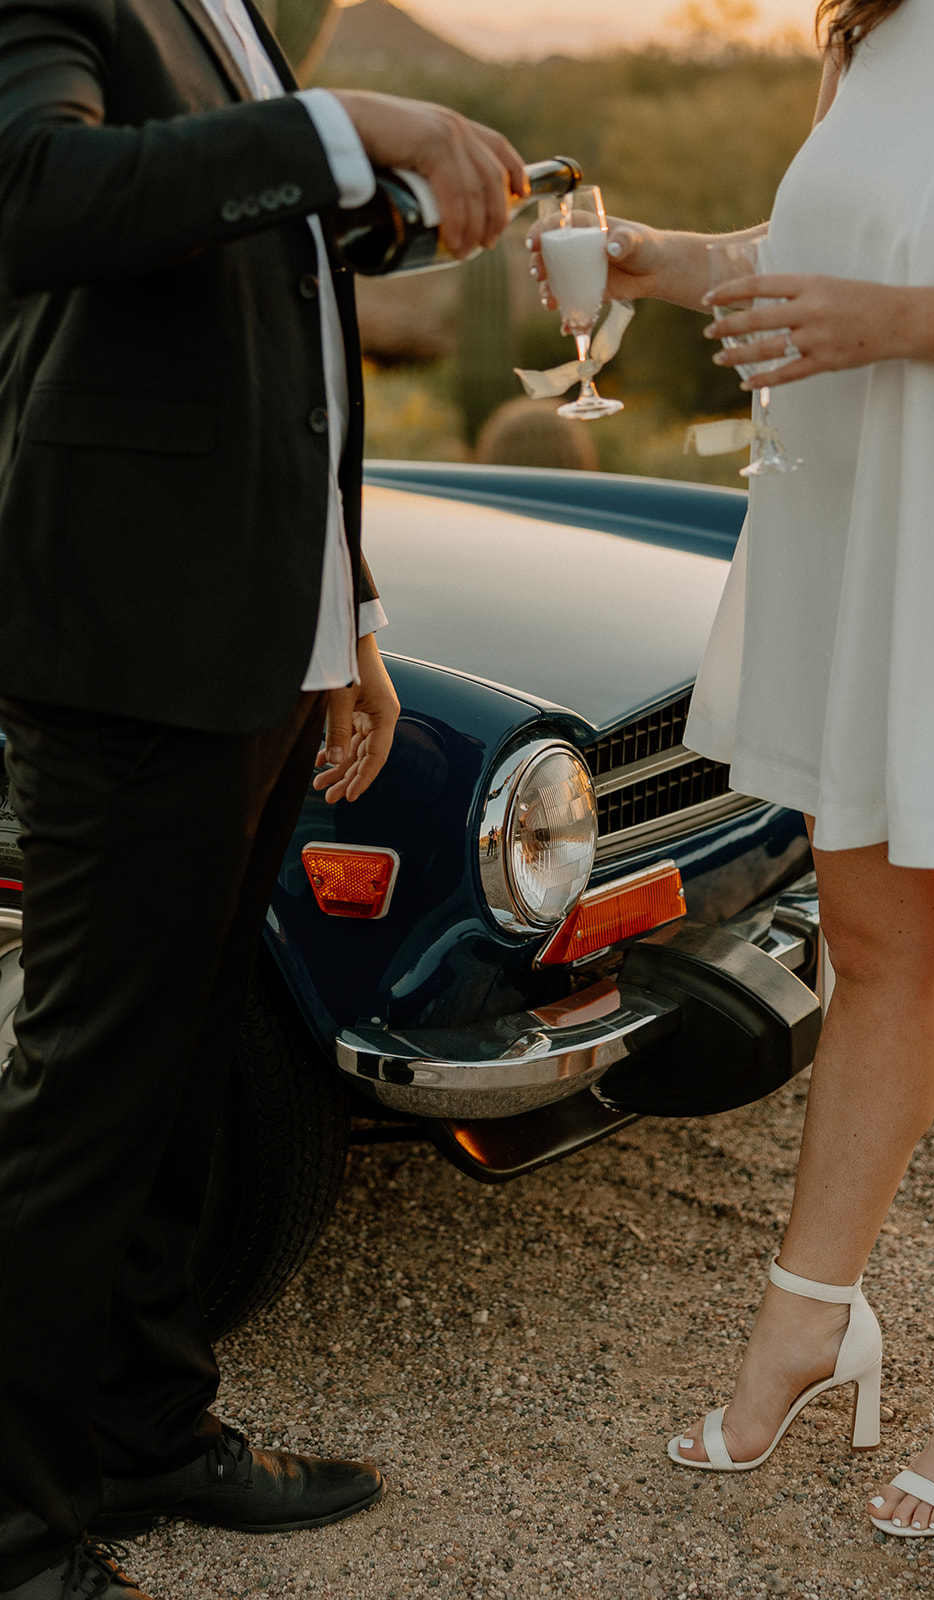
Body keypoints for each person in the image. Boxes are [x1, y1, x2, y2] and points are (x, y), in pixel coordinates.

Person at [0, 0, 527, 1595]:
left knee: (184, 1070)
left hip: (258, 638)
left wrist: (347, 619)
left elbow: (269, 318)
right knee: (90, 1097)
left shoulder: (223, 14)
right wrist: (337, 125)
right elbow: (34, 192)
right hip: (127, 638)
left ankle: (148, 1430)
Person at [534, 0, 934, 1545]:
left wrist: (887, 325)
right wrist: (663, 258)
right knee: (881, 948)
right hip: (871, 544)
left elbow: (897, 292)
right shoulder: (879, 27)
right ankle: (810, 1320)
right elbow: (837, 240)